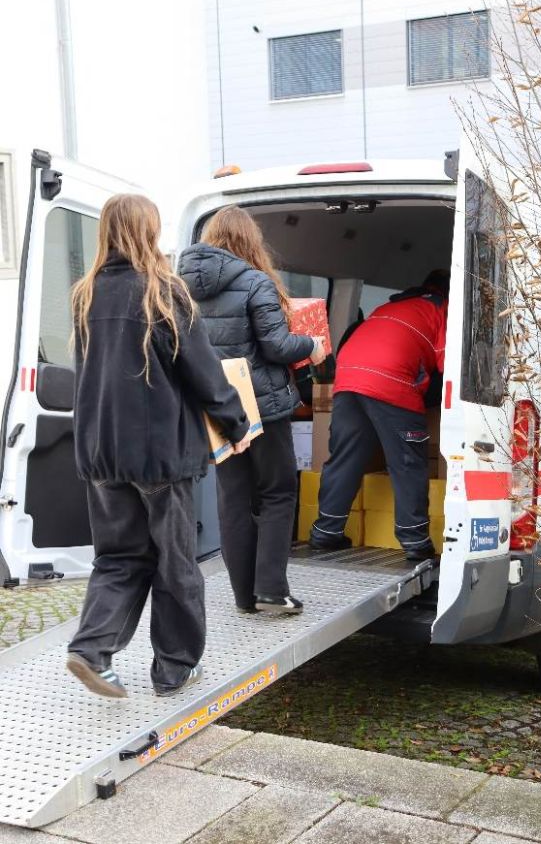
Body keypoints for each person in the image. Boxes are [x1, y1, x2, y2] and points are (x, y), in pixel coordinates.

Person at [66, 194, 251, 699]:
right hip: (161, 457)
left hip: (101, 453)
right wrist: (236, 426)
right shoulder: (163, 290)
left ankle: (91, 649)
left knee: (118, 557)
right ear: (149, 230)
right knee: (176, 563)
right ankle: (174, 668)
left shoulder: (85, 293)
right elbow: (204, 372)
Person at [179, 206, 326, 615]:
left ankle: (245, 596)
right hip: (262, 407)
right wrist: (311, 345)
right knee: (278, 492)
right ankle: (272, 590)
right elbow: (276, 346)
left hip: (215, 406)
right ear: (249, 240)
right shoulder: (254, 281)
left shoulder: (181, 287)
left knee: (234, 499)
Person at [310, 270, 450, 561]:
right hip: (391, 378)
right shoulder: (441, 308)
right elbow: (449, 365)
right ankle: (415, 541)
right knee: (407, 461)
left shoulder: (388, 306)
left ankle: (325, 532)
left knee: (345, 456)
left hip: (348, 375)